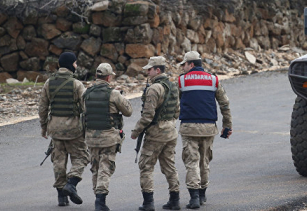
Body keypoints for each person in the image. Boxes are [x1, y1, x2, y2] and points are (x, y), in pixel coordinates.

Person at [177, 51, 232, 209]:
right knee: (204, 161)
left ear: (191, 64)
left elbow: (175, 104)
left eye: (184, 64)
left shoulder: (181, 81)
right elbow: (225, 104)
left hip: (189, 128)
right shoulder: (214, 79)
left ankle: (194, 198)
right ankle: (202, 195)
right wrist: (227, 126)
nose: (183, 68)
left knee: (191, 162)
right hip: (209, 128)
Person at [38, 51, 90, 206]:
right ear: (70, 64)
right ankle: (71, 183)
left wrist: (44, 127)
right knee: (81, 157)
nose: (76, 66)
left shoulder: (49, 83)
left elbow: (43, 107)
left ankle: (61, 196)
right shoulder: (76, 84)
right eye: (75, 63)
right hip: (73, 129)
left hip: (55, 129)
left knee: (59, 162)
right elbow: (86, 107)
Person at [131, 56, 181, 211]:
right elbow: (177, 111)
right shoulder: (173, 86)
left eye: (149, 69)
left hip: (156, 133)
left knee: (146, 166)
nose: (147, 72)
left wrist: (136, 131)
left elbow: (147, 116)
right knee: (169, 166)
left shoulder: (154, 89)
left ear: (157, 70)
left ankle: (148, 203)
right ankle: (175, 200)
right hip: (171, 131)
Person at [82, 63, 133, 211]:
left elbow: (83, 113)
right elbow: (128, 111)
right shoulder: (114, 94)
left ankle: (97, 197)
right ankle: (100, 201)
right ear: (109, 77)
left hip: (91, 137)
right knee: (105, 168)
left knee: (95, 168)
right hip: (109, 137)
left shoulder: (87, 93)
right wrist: (121, 96)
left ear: (97, 76)